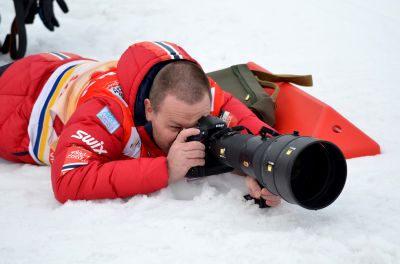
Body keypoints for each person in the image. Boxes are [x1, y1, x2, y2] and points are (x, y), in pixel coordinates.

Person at [0, 41, 281, 207]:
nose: (190, 135)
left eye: (199, 122)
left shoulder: (196, 94)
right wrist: (166, 168)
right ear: (149, 109)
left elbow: (256, 132)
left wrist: (260, 168)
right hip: (15, 101)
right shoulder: (107, 111)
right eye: (175, 128)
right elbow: (68, 180)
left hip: (65, 68)